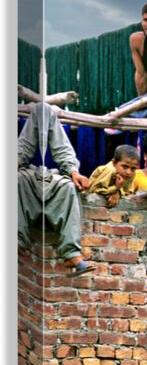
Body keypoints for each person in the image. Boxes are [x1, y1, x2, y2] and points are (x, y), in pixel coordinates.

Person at [17, 102, 93, 276]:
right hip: (25, 175)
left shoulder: (46, 116)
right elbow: (22, 149)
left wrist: (74, 173)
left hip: (45, 175)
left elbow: (62, 149)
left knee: (68, 187)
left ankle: (72, 254)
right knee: (15, 181)